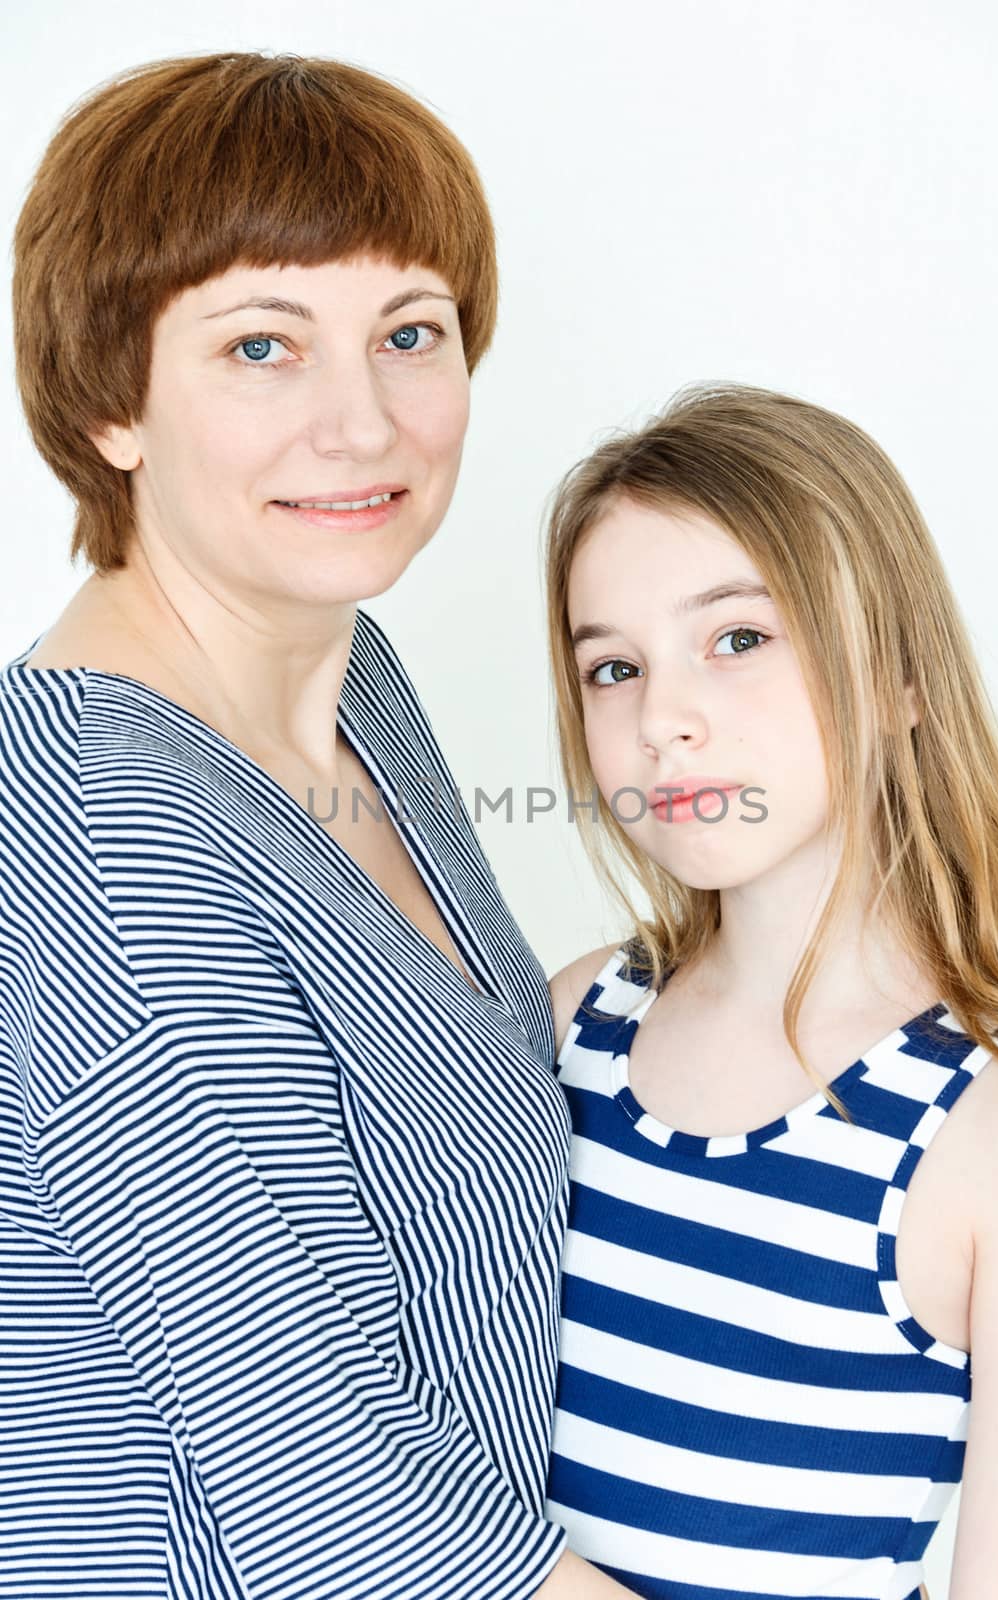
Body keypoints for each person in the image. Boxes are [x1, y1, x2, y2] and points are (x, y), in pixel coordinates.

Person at [0, 50, 636, 1599]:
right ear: (107, 402)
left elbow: (411, 1079)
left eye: (409, 334)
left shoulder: (351, 681)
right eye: (263, 345)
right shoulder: (95, 826)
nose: (362, 427)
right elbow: (329, 1500)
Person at [540, 383, 998, 1600]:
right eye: (611, 667)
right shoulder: (574, 1022)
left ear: (897, 678)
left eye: (736, 638)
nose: (662, 718)